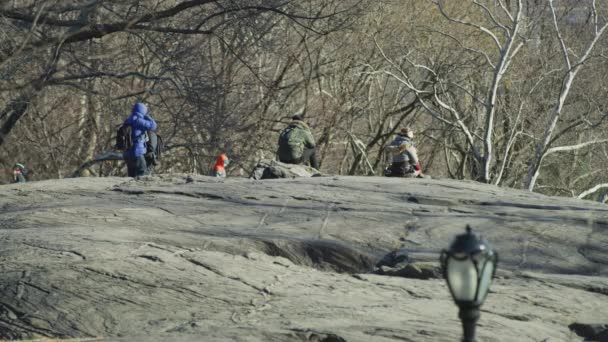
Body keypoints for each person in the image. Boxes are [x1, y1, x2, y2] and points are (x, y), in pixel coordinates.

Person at [123, 102, 157, 177]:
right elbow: (153, 125)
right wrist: (147, 116)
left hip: (127, 153)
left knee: (131, 174)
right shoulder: (138, 120)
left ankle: (129, 188)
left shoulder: (128, 119)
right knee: (142, 172)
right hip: (137, 151)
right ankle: (137, 189)